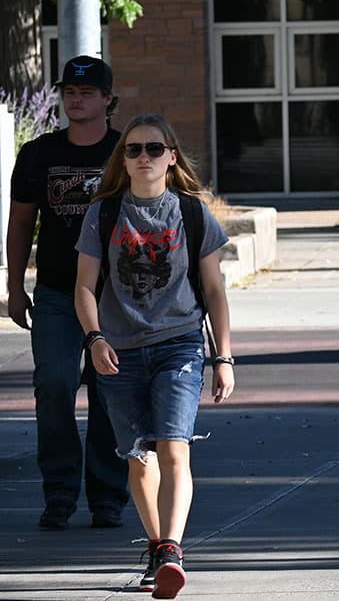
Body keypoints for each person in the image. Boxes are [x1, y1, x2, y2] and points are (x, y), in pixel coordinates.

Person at [74, 114, 234, 599]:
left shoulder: (191, 212)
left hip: (179, 343)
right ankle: (155, 543)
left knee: (174, 446)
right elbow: (83, 286)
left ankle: (171, 551)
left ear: (172, 157)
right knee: (139, 458)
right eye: (133, 150)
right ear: (122, 159)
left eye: (153, 149)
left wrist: (223, 356)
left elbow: (214, 289)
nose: (143, 157)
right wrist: (95, 338)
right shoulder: (103, 213)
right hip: (118, 350)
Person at [6, 55, 130, 531]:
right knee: (54, 385)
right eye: (69, 92)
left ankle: (107, 496)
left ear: (107, 100)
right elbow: (20, 224)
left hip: (116, 298)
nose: (76, 99)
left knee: (109, 393)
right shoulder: (38, 154)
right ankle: (59, 492)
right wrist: (15, 287)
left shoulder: (126, 152)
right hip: (58, 292)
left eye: (86, 92)